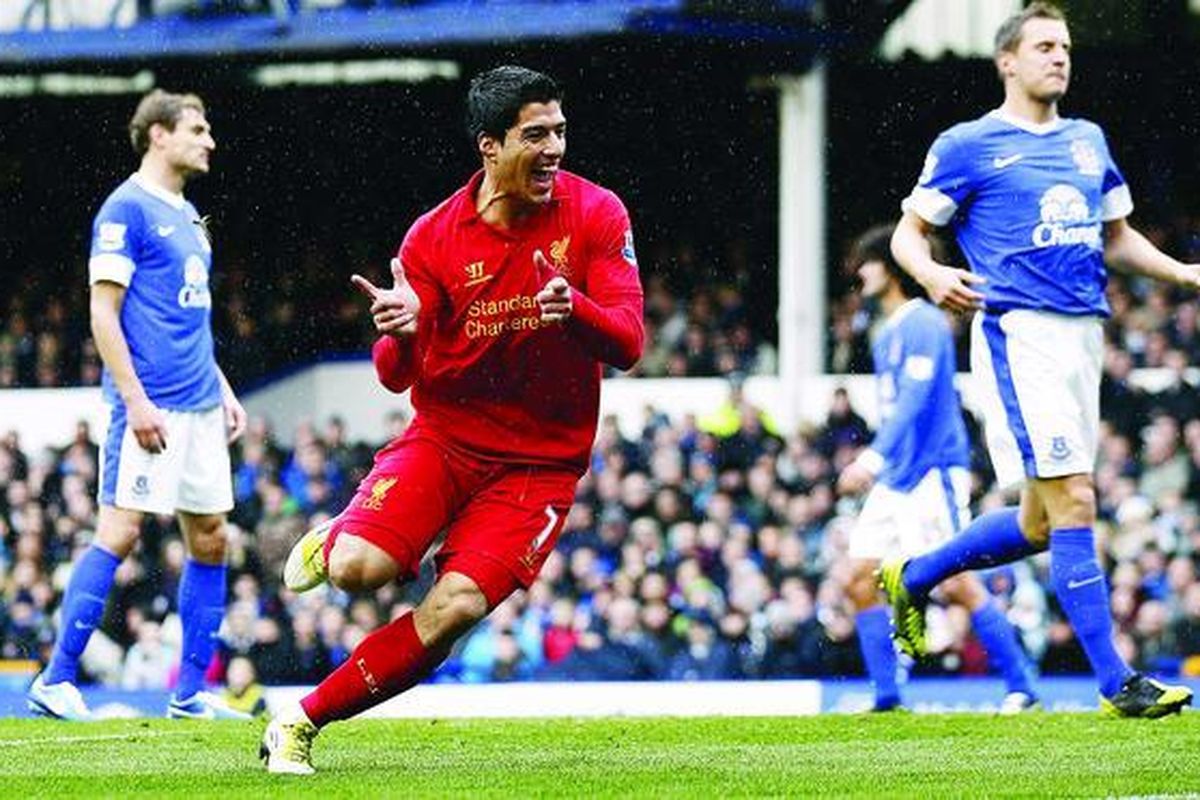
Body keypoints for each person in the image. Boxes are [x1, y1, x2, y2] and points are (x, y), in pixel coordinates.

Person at [260, 65, 644, 775]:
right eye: (537, 134)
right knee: (355, 572)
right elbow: (393, 373)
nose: (556, 147)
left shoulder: (597, 214)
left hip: (540, 466)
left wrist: (578, 312)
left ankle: (300, 722)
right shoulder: (433, 238)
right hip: (445, 440)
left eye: (560, 129)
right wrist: (401, 329)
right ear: (490, 146)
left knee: (457, 607)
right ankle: (341, 537)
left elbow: (628, 341)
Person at [880, 2, 1196, 717]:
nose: (1060, 57)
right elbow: (908, 236)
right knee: (1077, 498)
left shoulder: (1088, 141)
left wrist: (1184, 274)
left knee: (1040, 525)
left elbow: (1116, 237)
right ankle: (1118, 682)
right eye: (1045, 46)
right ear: (1008, 61)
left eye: (1066, 47)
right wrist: (931, 276)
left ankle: (915, 575)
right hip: (1019, 336)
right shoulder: (969, 144)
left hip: (1084, 335)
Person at [27, 90, 250, 721]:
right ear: (158, 134)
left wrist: (223, 388)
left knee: (210, 538)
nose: (209, 141)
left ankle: (189, 694)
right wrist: (135, 399)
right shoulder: (124, 208)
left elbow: (189, 319)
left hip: (201, 401)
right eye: (198, 129)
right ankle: (56, 679)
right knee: (120, 532)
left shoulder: (189, 216)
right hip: (151, 405)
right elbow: (103, 312)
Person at [837, 225, 1038, 714]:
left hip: (930, 472)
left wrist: (872, 457)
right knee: (858, 577)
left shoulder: (925, 322)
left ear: (889, 267)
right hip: (898, 476)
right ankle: (887, 697)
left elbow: (917, 400)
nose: (858, 274)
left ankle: (1023, 686)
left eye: (866, 262)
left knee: (954, 582)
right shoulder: (888, 333)